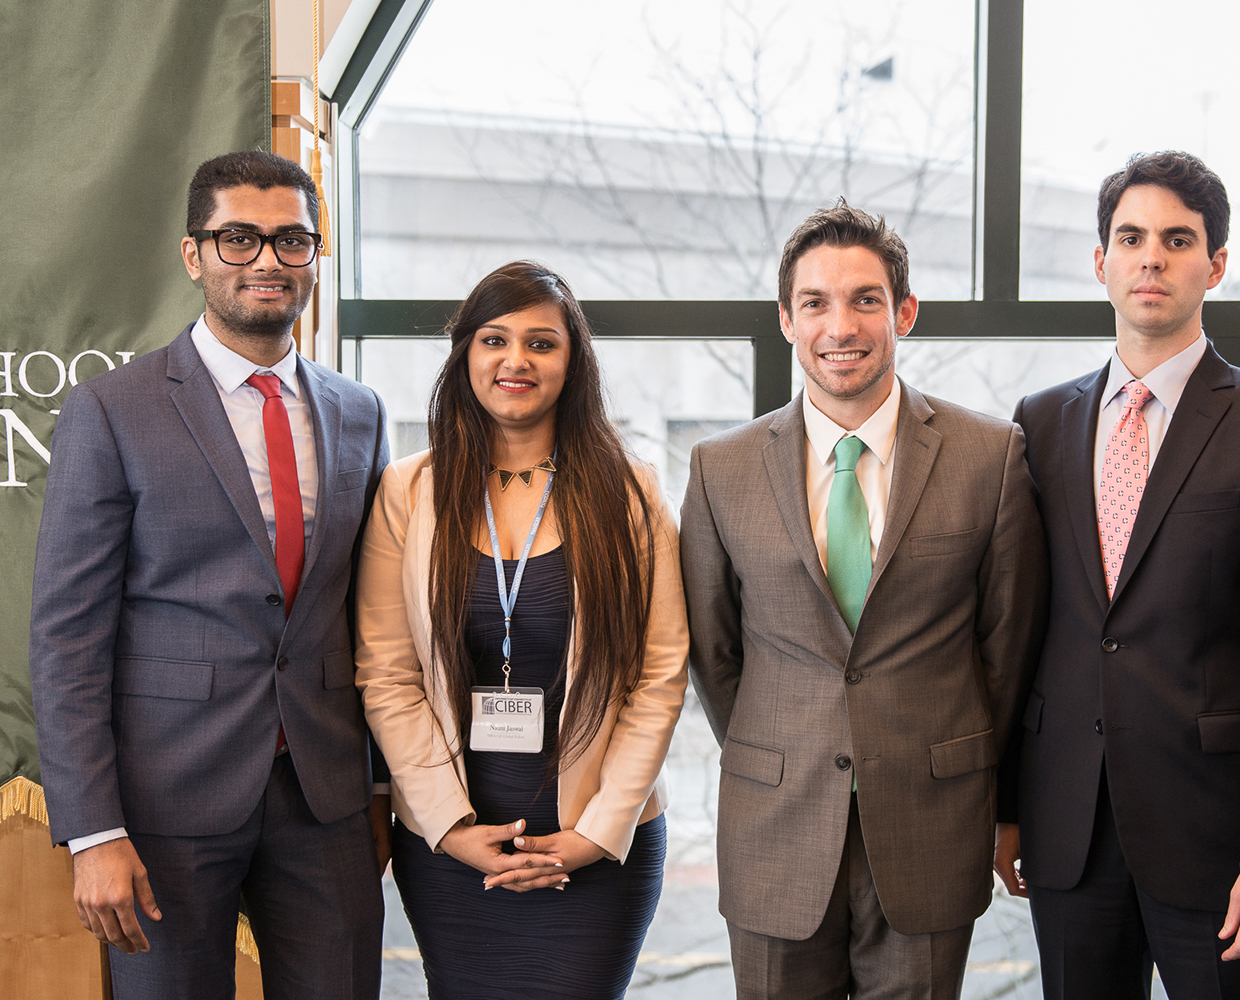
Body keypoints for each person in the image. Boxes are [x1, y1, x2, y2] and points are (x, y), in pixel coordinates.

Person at [28, 150, 389, 999]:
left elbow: (367, 613)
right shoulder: (112, 410)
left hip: (326, 798)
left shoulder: (358, 411)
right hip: (161, 810)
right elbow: (66, 636)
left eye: (291, 240)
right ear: (195, 256)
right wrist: (92, 832)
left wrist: (376, 785)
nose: (267, 260)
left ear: (314, 255)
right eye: (239, 239)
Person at [680, 199, 1048, 1000]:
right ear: (786, 318)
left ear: (904, 312)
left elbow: (1007, 646)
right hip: (775, 822)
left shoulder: (991, 456)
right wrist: (782, 741)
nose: (838, 325)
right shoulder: (721, 468)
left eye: (865, 299)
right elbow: (713, 652)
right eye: (815, 302)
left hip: (931, 820)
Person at [999, 151, 1240, 999]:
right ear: (1101, 262)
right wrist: (1008, 806)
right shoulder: (1040, 424)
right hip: (1069, 835)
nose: (1151, 257)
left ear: (1215, 265)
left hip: (1224, 847)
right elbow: (1019, 632)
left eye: (1177, 240)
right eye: (1131, 237)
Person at [355, 260, 689, 999]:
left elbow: (660, 674)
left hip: (598, 845)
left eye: (542, 343)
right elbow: (387, 674)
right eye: (494, 339)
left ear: (572, 363)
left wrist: (595, 834)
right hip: (452, 843)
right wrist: (448, 827)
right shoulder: (409, 492)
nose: (516, 361)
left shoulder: (631, 490)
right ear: (464, 355)